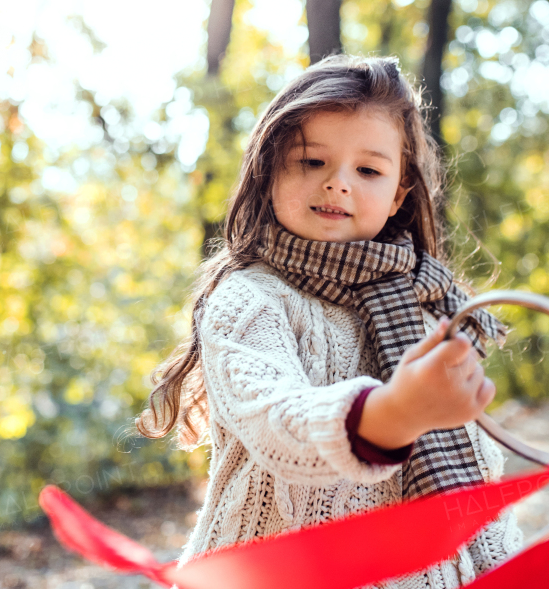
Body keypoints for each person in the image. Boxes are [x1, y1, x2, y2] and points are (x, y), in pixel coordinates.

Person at [136, 55, 523, 588]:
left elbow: (472, 477)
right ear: (271, 171)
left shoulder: (429, 309)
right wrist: (391, 414)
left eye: (368, 170)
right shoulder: (249, 298)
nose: (339, 184)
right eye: (312, 162)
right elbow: (275, 421)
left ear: (398, 196)